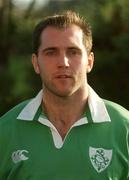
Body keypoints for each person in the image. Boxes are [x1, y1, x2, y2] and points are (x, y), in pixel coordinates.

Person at [0, 10, 129, 180]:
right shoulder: (5, 131)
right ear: (35, 63)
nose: (63, 63)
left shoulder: (125, 128)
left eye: (73, 51)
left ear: (89, 62)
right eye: (51, 52)